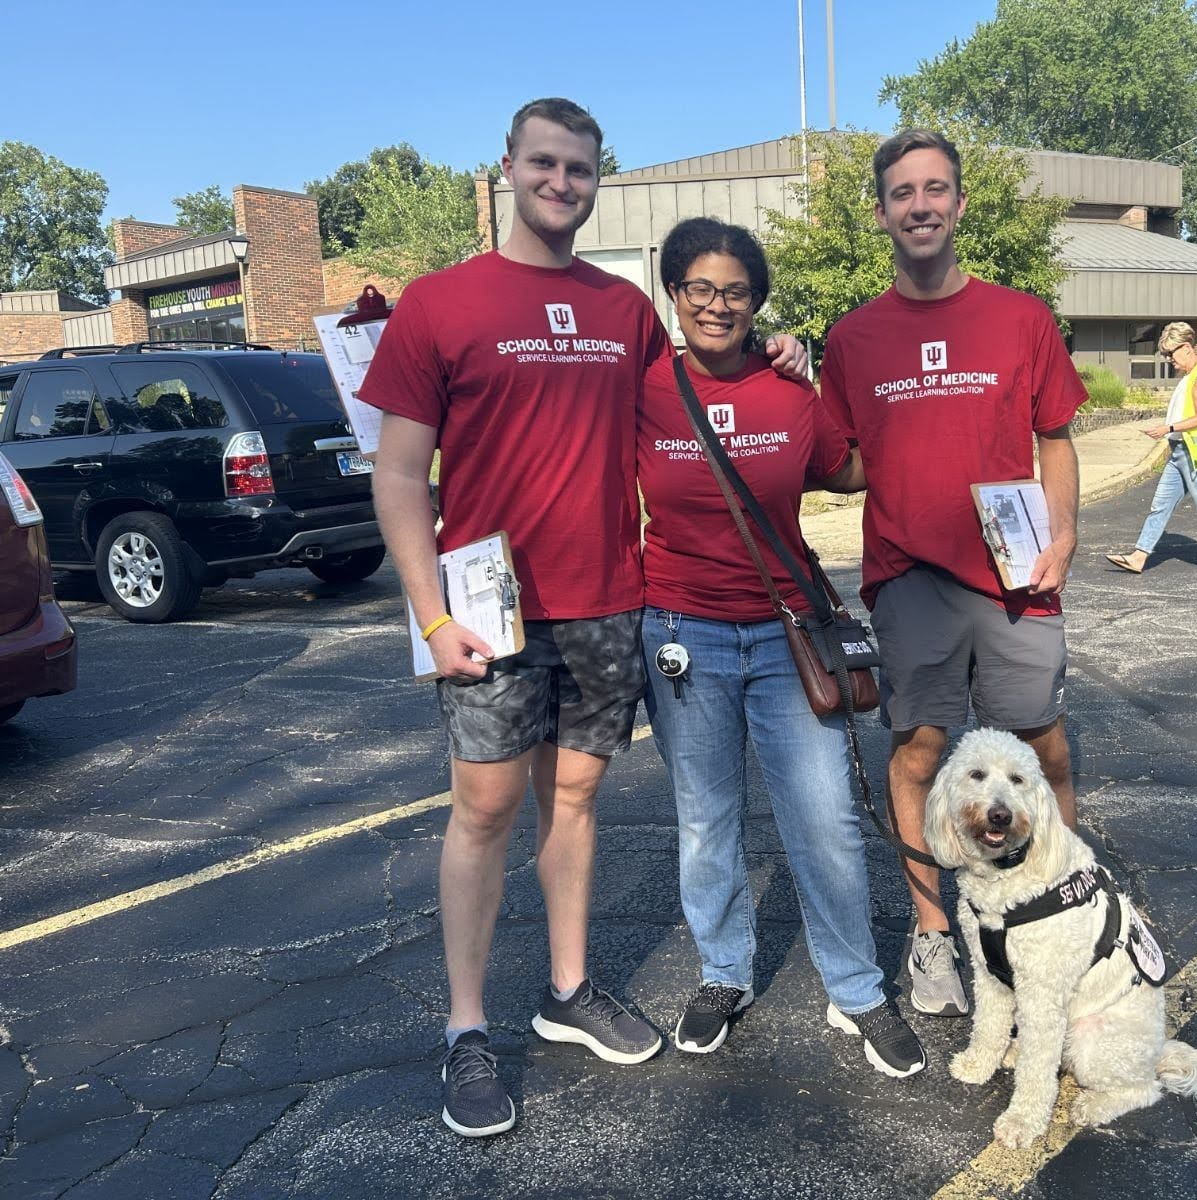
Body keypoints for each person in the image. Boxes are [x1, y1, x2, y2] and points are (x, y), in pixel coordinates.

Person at [364, 98, 809, 1138]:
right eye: (545, 164)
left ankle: (568, 991)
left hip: (609, 597)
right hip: (486, 610)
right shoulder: (439, 303)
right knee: (481, 813)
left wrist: (781, 361)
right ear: (509, 167)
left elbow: (698, 394)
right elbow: (395, 475)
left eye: (580, 169)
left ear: (597, 179)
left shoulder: (622, 311)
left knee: (575, 804)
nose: (562, 182)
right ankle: (467, 1031)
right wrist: (430, 620)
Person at [637, 217, 926, 1077]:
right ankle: (723, 976)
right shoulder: (643, 388)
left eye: (735, 291)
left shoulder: (790, 386)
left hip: (785, 635)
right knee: (706, 823)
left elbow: (851, 468)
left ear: (757, 302)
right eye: (701, 289)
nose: (717, 305)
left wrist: (829, 371)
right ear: (675, 294)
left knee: (826, 822)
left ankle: (858, 989)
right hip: (681, 631)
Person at [818, 129, 1088, 1021]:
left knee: (1038, 748)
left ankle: (1058, 916)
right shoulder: (853, 338)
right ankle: (934, 935)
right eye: (903, 192)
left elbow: (1056, 437)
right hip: (910, 580)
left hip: (1015, 577)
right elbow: (849, 461)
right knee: (921, 756)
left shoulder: (1019, 318)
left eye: (936, 189)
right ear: (884, 211)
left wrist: (1066, 532)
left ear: (960, 203)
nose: (921, 204)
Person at [1105, 321, 1197, 579]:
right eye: (1166, 354)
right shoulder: (1190, 377)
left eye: (1171, 353)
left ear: (1186, 348)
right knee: (1160, 505)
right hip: (1180, 454)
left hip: (1195, 455)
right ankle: (1139, 557)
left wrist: (1167, 428)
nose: (1169, 359)